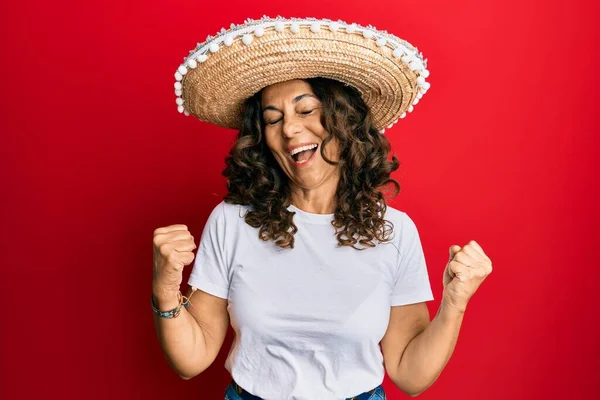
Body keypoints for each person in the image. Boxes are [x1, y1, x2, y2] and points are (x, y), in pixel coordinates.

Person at [151, 16, 493, 400]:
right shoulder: (233, 221)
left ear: (343, 120)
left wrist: (454, 303)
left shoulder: (393, 231)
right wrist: (165, 289)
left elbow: (411, 376)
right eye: (272, 119)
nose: (290, 129)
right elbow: (191, 360)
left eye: (306, 109)